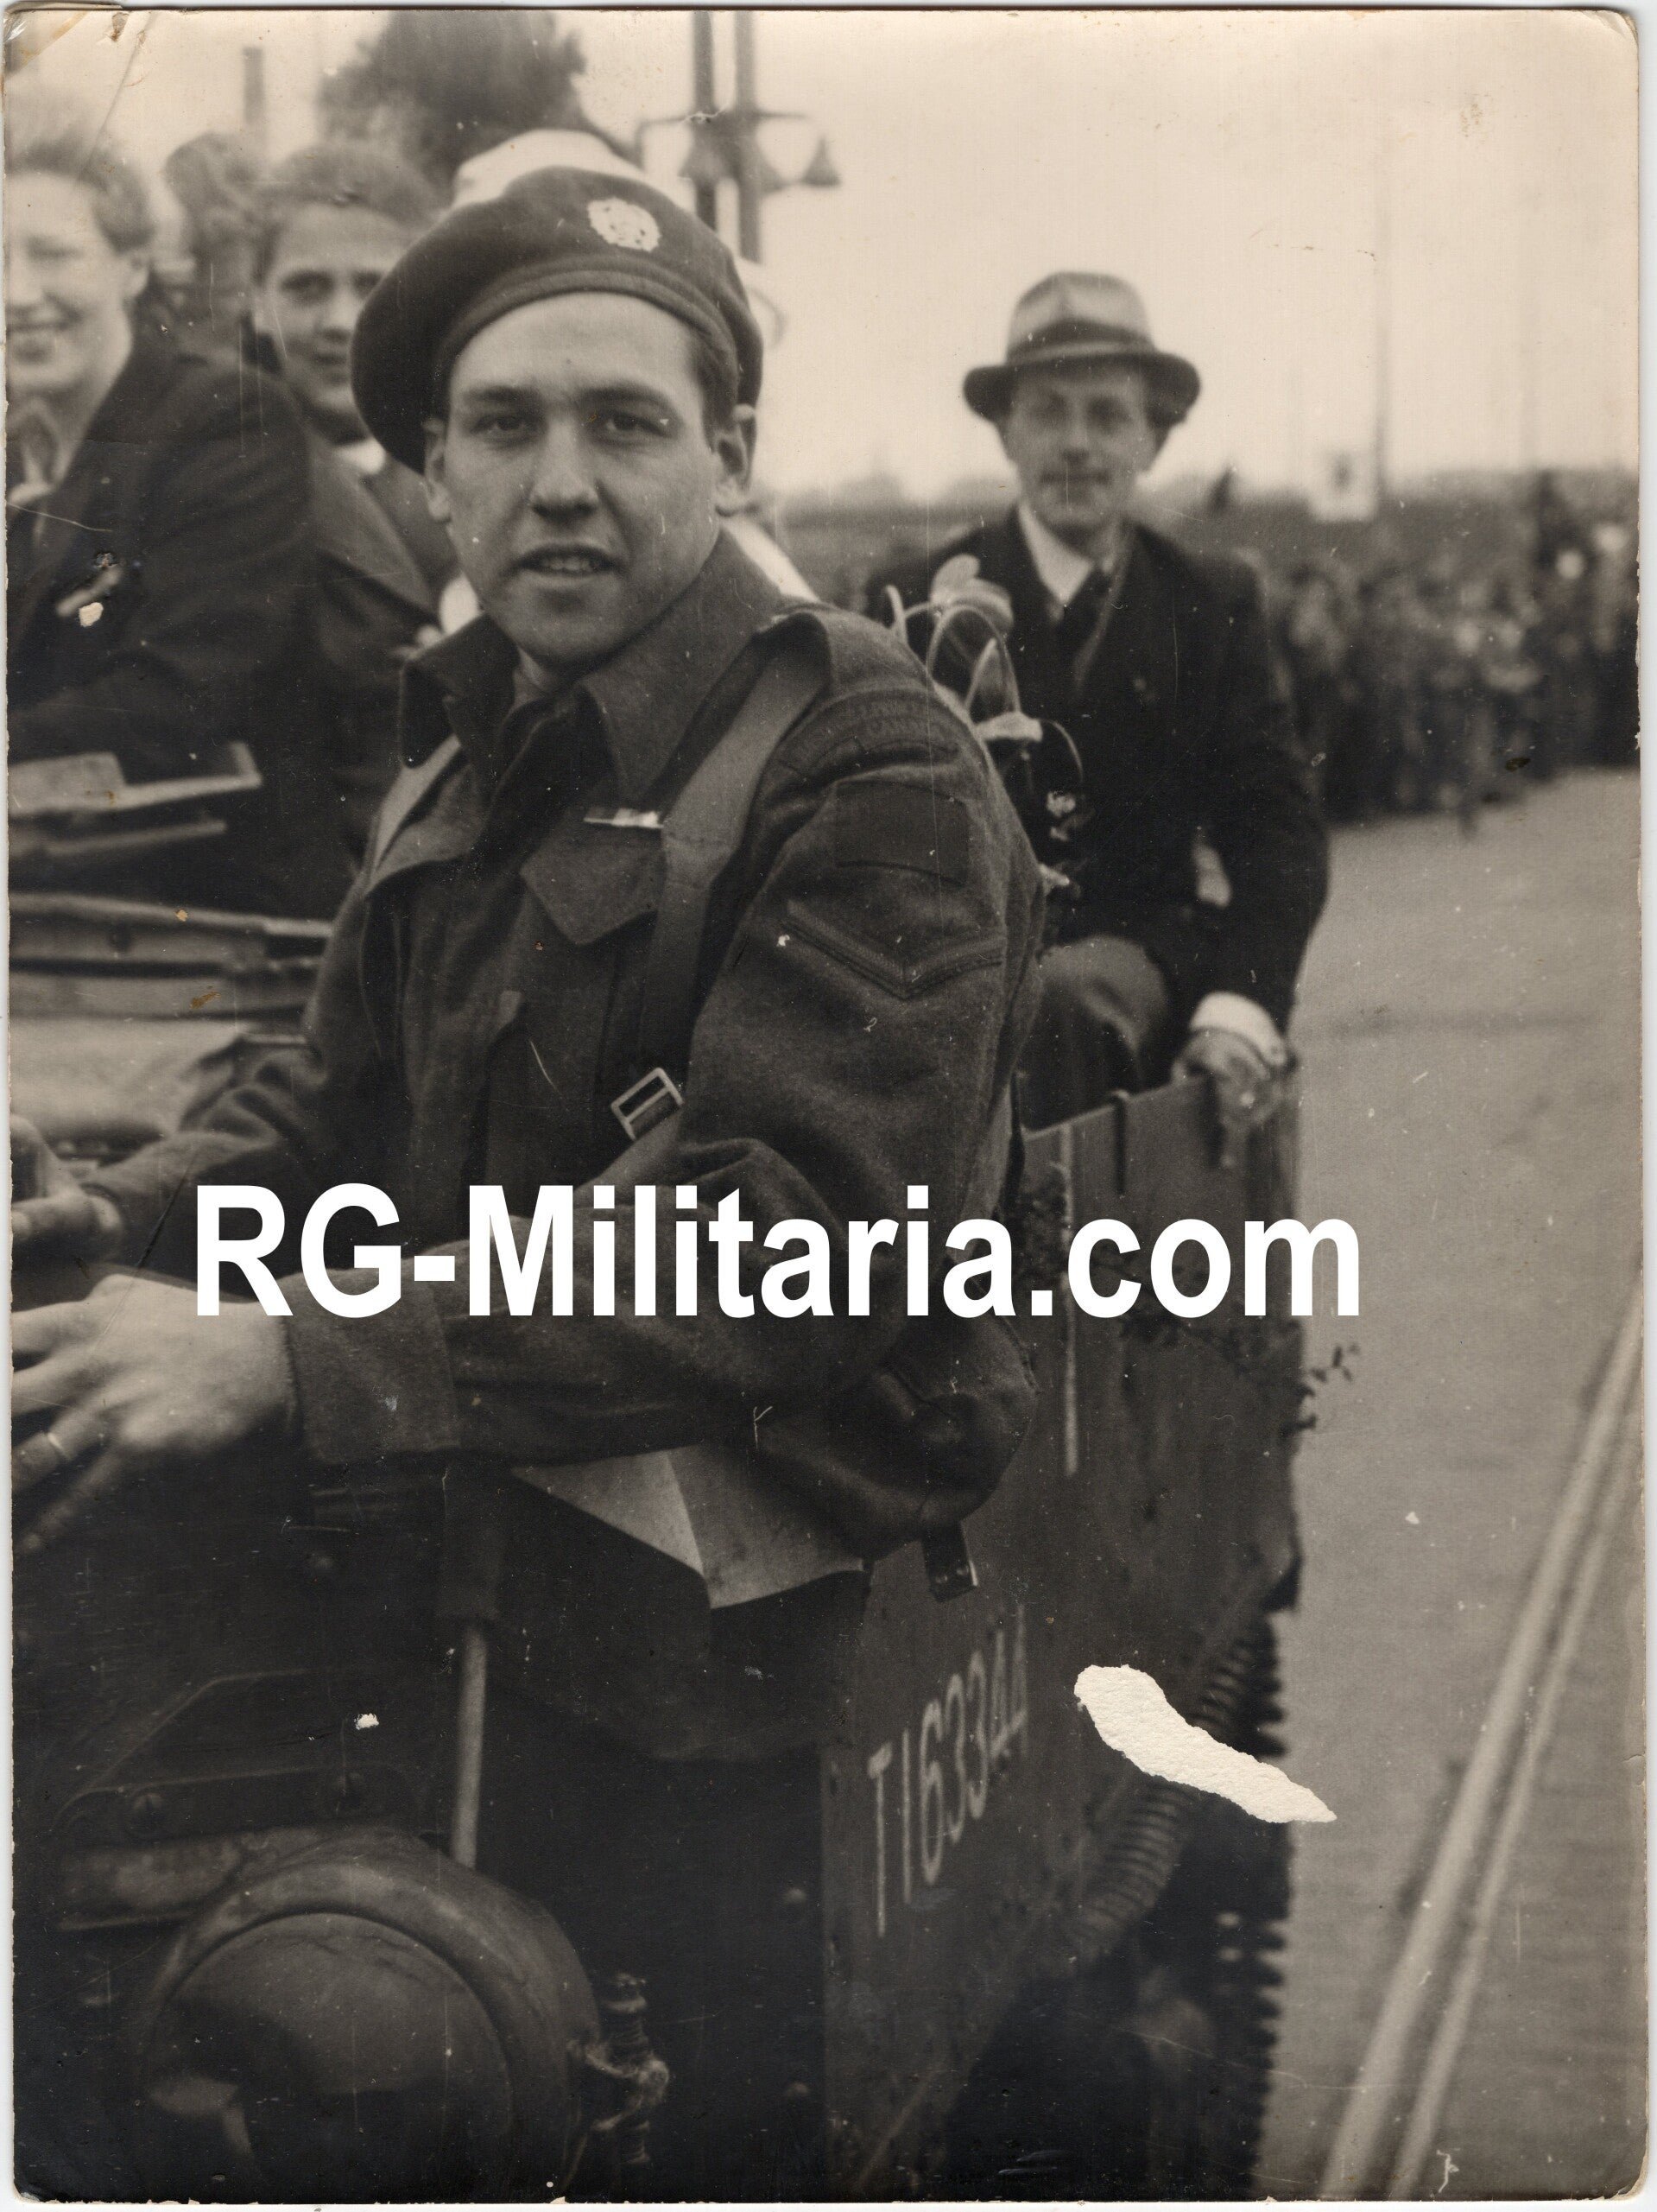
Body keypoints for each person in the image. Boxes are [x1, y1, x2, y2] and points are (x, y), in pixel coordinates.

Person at [12, 168, 1045, 2193]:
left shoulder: (869, 761)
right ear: (432, 468)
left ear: (730, 449)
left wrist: (293, 1354)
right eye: (503, 427)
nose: (559, 482)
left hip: (712, 1672)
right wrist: (118, 1218)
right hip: (454, 1579)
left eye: (625, 422)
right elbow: (332, 1128)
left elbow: (798, 1244)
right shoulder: (479, 749)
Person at [868, 272, 1328, 1143]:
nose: (1075, 445)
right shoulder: (913, 597)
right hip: (947, 971)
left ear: (1153, 439)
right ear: (1004, 431)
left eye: (1107, 416)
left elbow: (1276, 832)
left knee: (1063, 1006)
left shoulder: (1209, 601)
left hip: (1138, 966)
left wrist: (1240, 1007)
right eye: (1046, 412)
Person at [5, 99, 350, 920]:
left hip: (216, 921)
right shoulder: (16, 451)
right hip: (49, 905)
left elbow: (183, 697)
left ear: (130, 267)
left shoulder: (225, 420)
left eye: (53, 255)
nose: (19, 295)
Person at [249, 143, 454, 852]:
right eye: (306, 288)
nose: (340, 321)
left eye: (373, 286)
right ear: (255, 302)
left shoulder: (480, 467)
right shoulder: (225, 480)